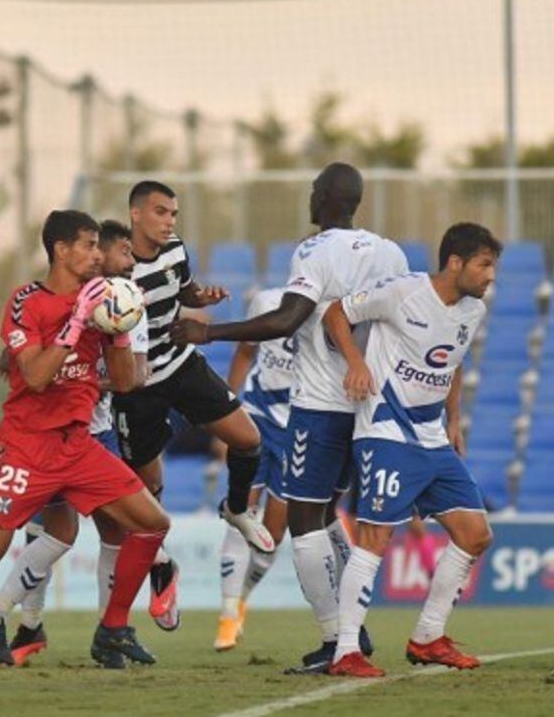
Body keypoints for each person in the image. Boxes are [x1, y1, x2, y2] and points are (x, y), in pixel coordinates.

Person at [0, 211, 171, 672]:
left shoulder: (100, 302)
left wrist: (119, 329)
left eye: (99, 246)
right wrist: (79, 320)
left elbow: (125, 384)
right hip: (26, 446)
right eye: (88, 245)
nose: (98, 254)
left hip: (77, 445)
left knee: (152, 523)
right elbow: (38, 376)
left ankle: (112, 629)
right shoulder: (28, 301)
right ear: (61, 250)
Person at [170, 162, 408, 672]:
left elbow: (287, 318)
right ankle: (352, 632)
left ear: (322, 197)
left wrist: (207, 334)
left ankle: (333, 640)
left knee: (302, 521)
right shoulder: (391, 251)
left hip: (321, 404)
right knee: (326, 516)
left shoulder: (315, 250)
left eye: (314, 188)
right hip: (366, 402)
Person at [324, 222, 498, 677]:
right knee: (376, 537)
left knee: (476, 534)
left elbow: (453, 363)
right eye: (484, 265)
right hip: (385, 430)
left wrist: (454, 419)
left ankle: (427, 637)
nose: (489, 277)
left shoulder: (472, 311)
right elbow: (335, 314)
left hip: (432, 438)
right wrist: (356, 362)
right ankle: (345, 651)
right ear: (455, 262)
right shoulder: (402, 292)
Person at [0, 220, 152, 665]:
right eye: (114, 252)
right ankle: (25, 622)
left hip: (94, 432)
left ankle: (109, 630)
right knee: (51, 531)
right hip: (44, 435)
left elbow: (131, 377)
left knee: (117, 530)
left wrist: (100, 365)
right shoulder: (54, 300)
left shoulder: (122, 303)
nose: (123, 262)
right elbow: (24, 364)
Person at [112, 181, 275, 629]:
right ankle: (161, 565)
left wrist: (202, 299)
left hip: (180, 365)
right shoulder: (116, 273)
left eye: (174, 215)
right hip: (136, 386)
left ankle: (237, 509)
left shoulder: (176, 249)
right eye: (161, 213)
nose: (169, 222)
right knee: (150, 496)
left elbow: (183, 291)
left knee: (249, 440)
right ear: (136, 214)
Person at [215, 286, 294, 651]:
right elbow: (246, 352)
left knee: (273, 534)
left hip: (300, 429)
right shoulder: (267, 302)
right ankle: (228, 613)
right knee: (240, 509)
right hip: (259, 418)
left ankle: (242, 598)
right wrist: (228, 411)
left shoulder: (335, 315)